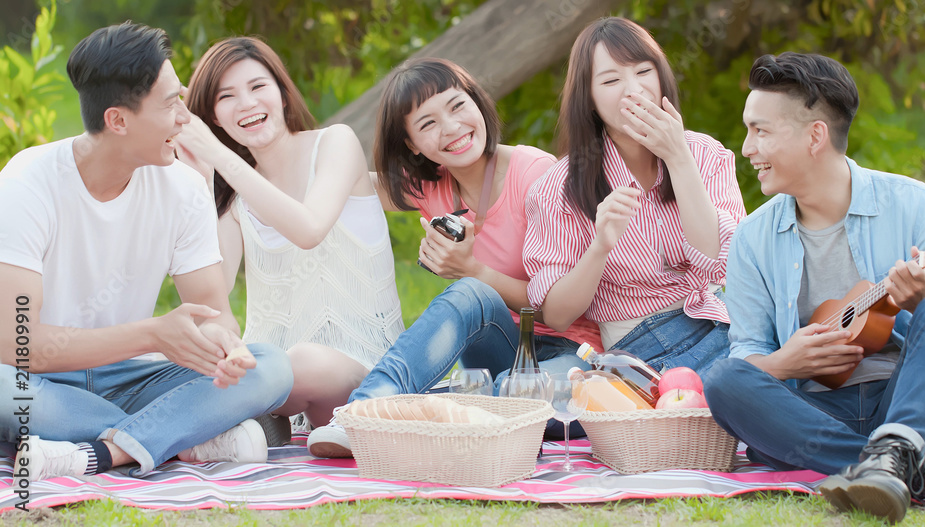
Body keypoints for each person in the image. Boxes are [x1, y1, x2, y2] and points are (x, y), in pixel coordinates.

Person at [0, 23, 293, 481]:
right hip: (42, 381)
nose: (185, 118)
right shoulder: (27, 184)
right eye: (172, 103)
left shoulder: (184, 188)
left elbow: (214, 314)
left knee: (272, 369)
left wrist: (224, 347)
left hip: (132, 380)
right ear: (117, 120)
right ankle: (189, 437)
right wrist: (153, 336)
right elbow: (18, 347)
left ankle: (103, 449)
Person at [702, 52, 925, 523]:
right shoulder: (752, 238)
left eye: (761, 131)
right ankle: (909, 469)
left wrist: (920, 302)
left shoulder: (917, 207)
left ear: (815, 136)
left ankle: (897, 451)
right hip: (813, 415)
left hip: (913, 404)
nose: (747, 149)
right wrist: (783, 361)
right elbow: (747, 353)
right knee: (721, 380)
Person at [307, 57, 602, 458]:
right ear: (412, 144)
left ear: (477, 104)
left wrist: (472, 269)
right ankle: (362, 411)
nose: (451, 128)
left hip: (566, 351)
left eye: (457, 106)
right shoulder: (431, 187)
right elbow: (344, 183)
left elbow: (556, 309)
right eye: (427, 123)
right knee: (470, 300)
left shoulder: (535, 175)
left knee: (502, 394)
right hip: (498, 349)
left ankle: (452, 411)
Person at [176, 37, 404, 441]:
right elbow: (210, 294)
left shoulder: (335, 143)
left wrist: (218, 155)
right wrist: (201, 178)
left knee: (298, 362)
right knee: (166, 354)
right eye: (226, 96)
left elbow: (309, 229)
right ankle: (256, 422)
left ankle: (244, 420)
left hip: (363, 371)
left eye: (257, 86)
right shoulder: (232, 194)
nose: (246, 103)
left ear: (282, 93)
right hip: (266, 368)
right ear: (213, 117)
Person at [523, 17, 745, 375]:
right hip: (640, 347)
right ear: (590, 99)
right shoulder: (559, 186)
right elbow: (558, 315)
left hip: (718, 321)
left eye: (644, 71)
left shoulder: (705, 155)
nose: (634, 90)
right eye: (611, 80)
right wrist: (600, 247)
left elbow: (726, 264)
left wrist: (678, 158)